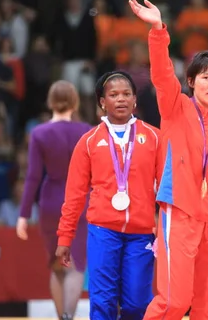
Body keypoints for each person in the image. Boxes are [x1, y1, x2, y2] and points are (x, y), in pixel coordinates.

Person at [128, 0, 208, 319]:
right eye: (206, 78)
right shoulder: (176, 108)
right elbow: (161, 74)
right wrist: (158, 30)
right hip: (179, 215)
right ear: (192, 81)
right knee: (174, 301)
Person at [56, 71, 160, 320]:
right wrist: (65, 237)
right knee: (102, 301)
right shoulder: (88, 142)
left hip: (141, 232)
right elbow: (74, 194)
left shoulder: (155, 137)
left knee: (137, 304)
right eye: (113, 95)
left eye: (126, 94)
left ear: (135, 99)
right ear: (102, 101)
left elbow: (169, 188)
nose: (121, 99)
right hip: (102, 231)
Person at [17, 80, 92, 320]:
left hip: (50, 203)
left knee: (57, 265)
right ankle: (69, 315)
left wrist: (23, 214)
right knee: (76, 265)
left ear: (50, 102)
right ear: (75, 102)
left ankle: (62, 318)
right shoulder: (86, 131)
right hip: (80, 201)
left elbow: (32, 177)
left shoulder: (39, 133)